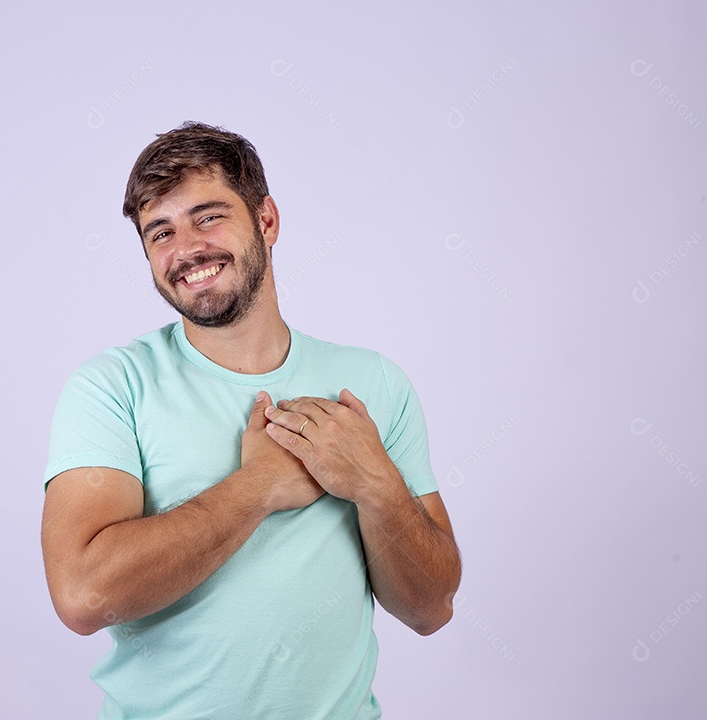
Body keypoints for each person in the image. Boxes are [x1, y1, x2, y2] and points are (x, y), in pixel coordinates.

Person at [42, 121, 461, 719]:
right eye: (160, 232)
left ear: (266, 220)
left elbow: (431, 608)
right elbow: (83, 595)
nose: (186, 249)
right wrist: (260, 486)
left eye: (208, 217)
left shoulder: (372, 385)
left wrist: (374, 484)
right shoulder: (112, 388)